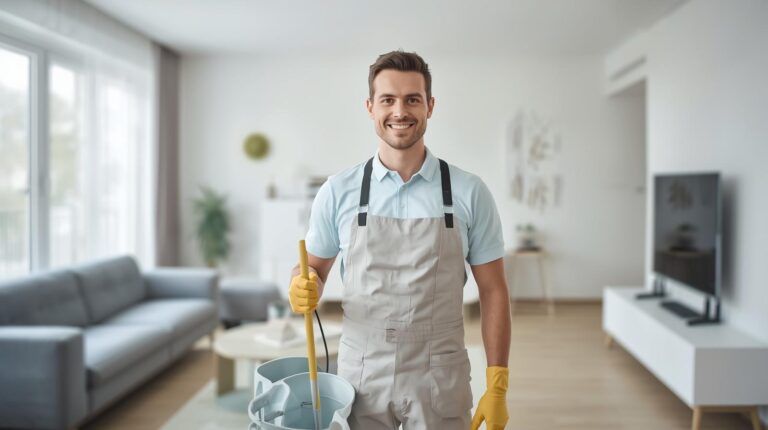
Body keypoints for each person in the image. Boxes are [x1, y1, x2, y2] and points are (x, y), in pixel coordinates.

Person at [289, 50, 511, 430]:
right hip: (361, 372)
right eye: (388, 99)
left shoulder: (469, 192)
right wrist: (301, 282)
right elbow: (312, 266)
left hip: (441, 371)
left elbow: (493, 291)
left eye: (412, 99)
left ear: (430, 106)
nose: (400, 111)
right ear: (370, 107)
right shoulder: (337, 191)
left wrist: (498, 382)